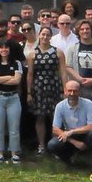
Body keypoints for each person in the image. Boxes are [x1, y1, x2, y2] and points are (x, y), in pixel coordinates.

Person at [26, 27, 67, 156]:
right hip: (39, 87)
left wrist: (65, 88)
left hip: (54, 86)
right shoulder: (32, 53)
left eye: (47, 35)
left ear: (51, 36)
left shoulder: (58, 52)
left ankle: (55, 146)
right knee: (40, 117)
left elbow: (63, 72)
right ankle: (41, 145)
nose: (45, 37)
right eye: (43, 34)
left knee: (56, 117)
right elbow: (30, 74)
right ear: (39, 35)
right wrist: (28, 92)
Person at [48, 80, 92, 167]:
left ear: (79, 92)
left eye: (75, 91)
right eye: (69, 90)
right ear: (65, 91)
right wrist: (74, 141)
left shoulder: (88, 103)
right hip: (69, 136)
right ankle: (69, 160)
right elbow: (55, 129)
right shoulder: (60, 106)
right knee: (52, 144)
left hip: (85, 134)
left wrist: (72, 132)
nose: (72, 93)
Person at [0, 41, 24, 163]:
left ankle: (14, 152)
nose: (4, 50)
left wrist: (1, 79)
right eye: (1, 47)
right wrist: (9, 77)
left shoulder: (17, 63)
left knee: (14, 127)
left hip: (13, 98)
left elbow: (17, 81)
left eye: (6, 47)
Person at [64, 20, 92, 112]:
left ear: (91, 31)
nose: (85, 31)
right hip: (77, 89)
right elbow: (68, 67)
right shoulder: (71, 48)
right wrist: (80, 80)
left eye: (87, 29)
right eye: (82, 29)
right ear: (78, 31)